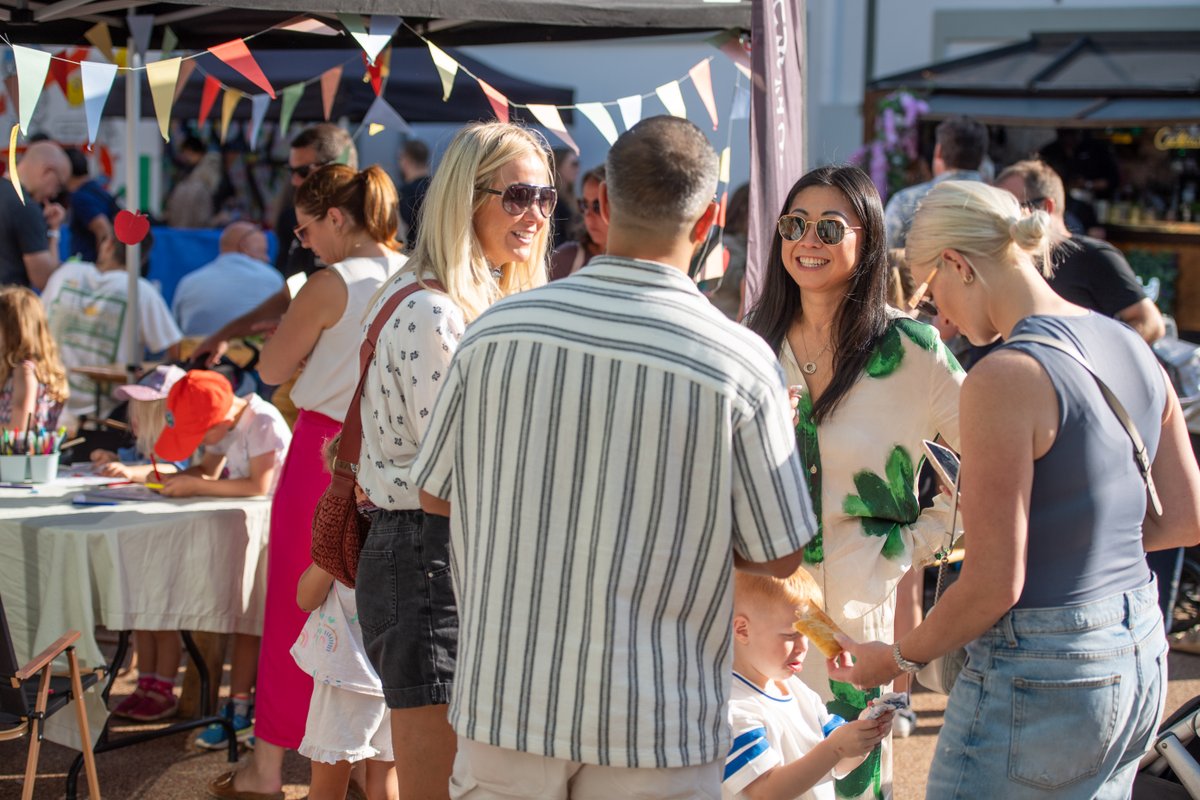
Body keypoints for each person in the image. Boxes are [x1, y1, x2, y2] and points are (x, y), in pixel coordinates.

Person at [411, 116, 816, 797]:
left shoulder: (494, 335)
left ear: (602, 202)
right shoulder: (742, 364)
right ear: (710, 217)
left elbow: (434, 495)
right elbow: (779, 555)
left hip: (508, 697)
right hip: (655, 715)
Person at [832, 179, 1200, 799]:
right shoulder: (1131, 344)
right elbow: (1186, 516)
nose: (943, 321)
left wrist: (895, 659)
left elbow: (993, 584)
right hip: (1138, 649)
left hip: (1045, 667)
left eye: (932, 294)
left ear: (958, 264)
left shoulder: (1004, 377)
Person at [743, 164, 963, 799]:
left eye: (829, 227)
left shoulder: (912, 349)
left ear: (866, 239)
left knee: (850, 782)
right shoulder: (752, 344)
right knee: (756, 775)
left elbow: (996, 462)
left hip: (854, 622)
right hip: (755, 614)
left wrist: (912, 542)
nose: (807, 240)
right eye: (795, 225)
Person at [355, 120, 553, 800]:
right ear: (466, 198)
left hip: (449, 552)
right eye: (518, 195)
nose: (535, 214)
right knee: (437, 786)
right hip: (429, 554)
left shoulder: (468, 301)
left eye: (545, 197)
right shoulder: (435, 310)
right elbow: (464, 465)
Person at [208, 163, 404, 800]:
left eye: (306, 228)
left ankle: (267, 770)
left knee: (300, 608)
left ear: (336, 218)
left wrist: (303, 345)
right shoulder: (417, 272)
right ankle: (371, 771)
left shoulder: (331, 281)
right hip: (394, 455)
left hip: (324, 449)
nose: (305, 242)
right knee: (377, 612)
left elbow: (269, 369)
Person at [193, 124, 359, 367]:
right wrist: (224, 334)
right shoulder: (291, 220)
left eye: (302, 171)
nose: (294, 180)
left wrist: (300, 328)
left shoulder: (367, 233)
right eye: (290, 170)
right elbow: (290, 294)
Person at [724, 567, 894, 800]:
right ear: (743, 630)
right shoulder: (731, 707)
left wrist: (865, 732)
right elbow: (764, 792)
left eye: (806, 634)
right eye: (790, 635)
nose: (803, 646)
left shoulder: (797, 689)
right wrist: (836, 748)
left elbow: (840, 763)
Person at [290, 439, 398, 800]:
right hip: (396, 674)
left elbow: (305, 598)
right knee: (386, 779)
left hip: (346, 676)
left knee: (328, 782)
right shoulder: (404, 541)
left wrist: (329, 552)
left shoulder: (344, 546)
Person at [994, 159, 1165, 345]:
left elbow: (1149, 323)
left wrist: (1094, 357)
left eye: (1012, 208)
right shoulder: (1005, 259)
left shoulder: (1092, 256)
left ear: (1046, 207)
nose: (1002, 219)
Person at [41, 231, 182, 429]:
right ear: (141, 258)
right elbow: (175, 351)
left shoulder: (66, 273)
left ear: (108, 245)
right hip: (106, 419)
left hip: (48, 406)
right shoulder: (142, 291)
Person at [884, 115, 988, 249]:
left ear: (938, 151)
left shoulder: (906, 201)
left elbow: (883, 252)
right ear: (983, 158)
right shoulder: (1000, 204)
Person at [171, 221, 284, 337]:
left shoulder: (188, 282)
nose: (267, 258)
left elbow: (174, 334)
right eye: (263, 251)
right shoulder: (273, 278)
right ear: (244, 247)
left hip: (197, 348)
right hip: (258, 348)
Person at [0, 140, 70, 290]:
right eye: (59, 185)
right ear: (47, 172)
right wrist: (54, 230)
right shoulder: (26, 207)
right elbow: (45, 280)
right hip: (9, 300)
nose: (54, 194)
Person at [0, 286, 67, 430]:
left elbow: (19, 427)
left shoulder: (24, 371)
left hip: (15, 445)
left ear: (14, 329)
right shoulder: (39, 368)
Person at [549, 164, 607, 281]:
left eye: (597, 206)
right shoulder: (566, 259)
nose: (588, 215)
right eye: (584, 205)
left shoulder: (642, 260)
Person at [64, 148, 119, 264]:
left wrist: (102, 265)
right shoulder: (97, 189)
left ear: (66, 169)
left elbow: (102, 228)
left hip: (89, 264)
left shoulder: (80, 197)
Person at [707, 182, 750, 320]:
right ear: (744, 210)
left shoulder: (740, 244)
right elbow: (737, 282)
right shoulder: (727, 244)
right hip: (725, 317)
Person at [397, 138, 432, 250]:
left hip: (414, 252)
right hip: (436, 250)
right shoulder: (437, 186)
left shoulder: (406, 191)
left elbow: (402, 228)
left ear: (406, 160)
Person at [550, 146, 581, 248]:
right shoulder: (551, 199)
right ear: (558, 166)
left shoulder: (571, 197)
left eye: (578, 164)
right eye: (574, 164)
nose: (578, 169)